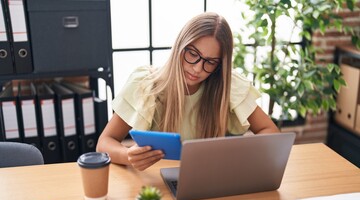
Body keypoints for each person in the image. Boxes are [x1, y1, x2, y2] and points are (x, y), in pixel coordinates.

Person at [96, 12, 279, 171]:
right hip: (158, 181)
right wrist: (128, 155)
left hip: (211, 180)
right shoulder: (145, 84)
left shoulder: (228, 85)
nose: (197, 69)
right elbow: (104, 142)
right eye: (193, 54)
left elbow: (270, 131)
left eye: (210, 62)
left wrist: (237, 154)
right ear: (179, 47)